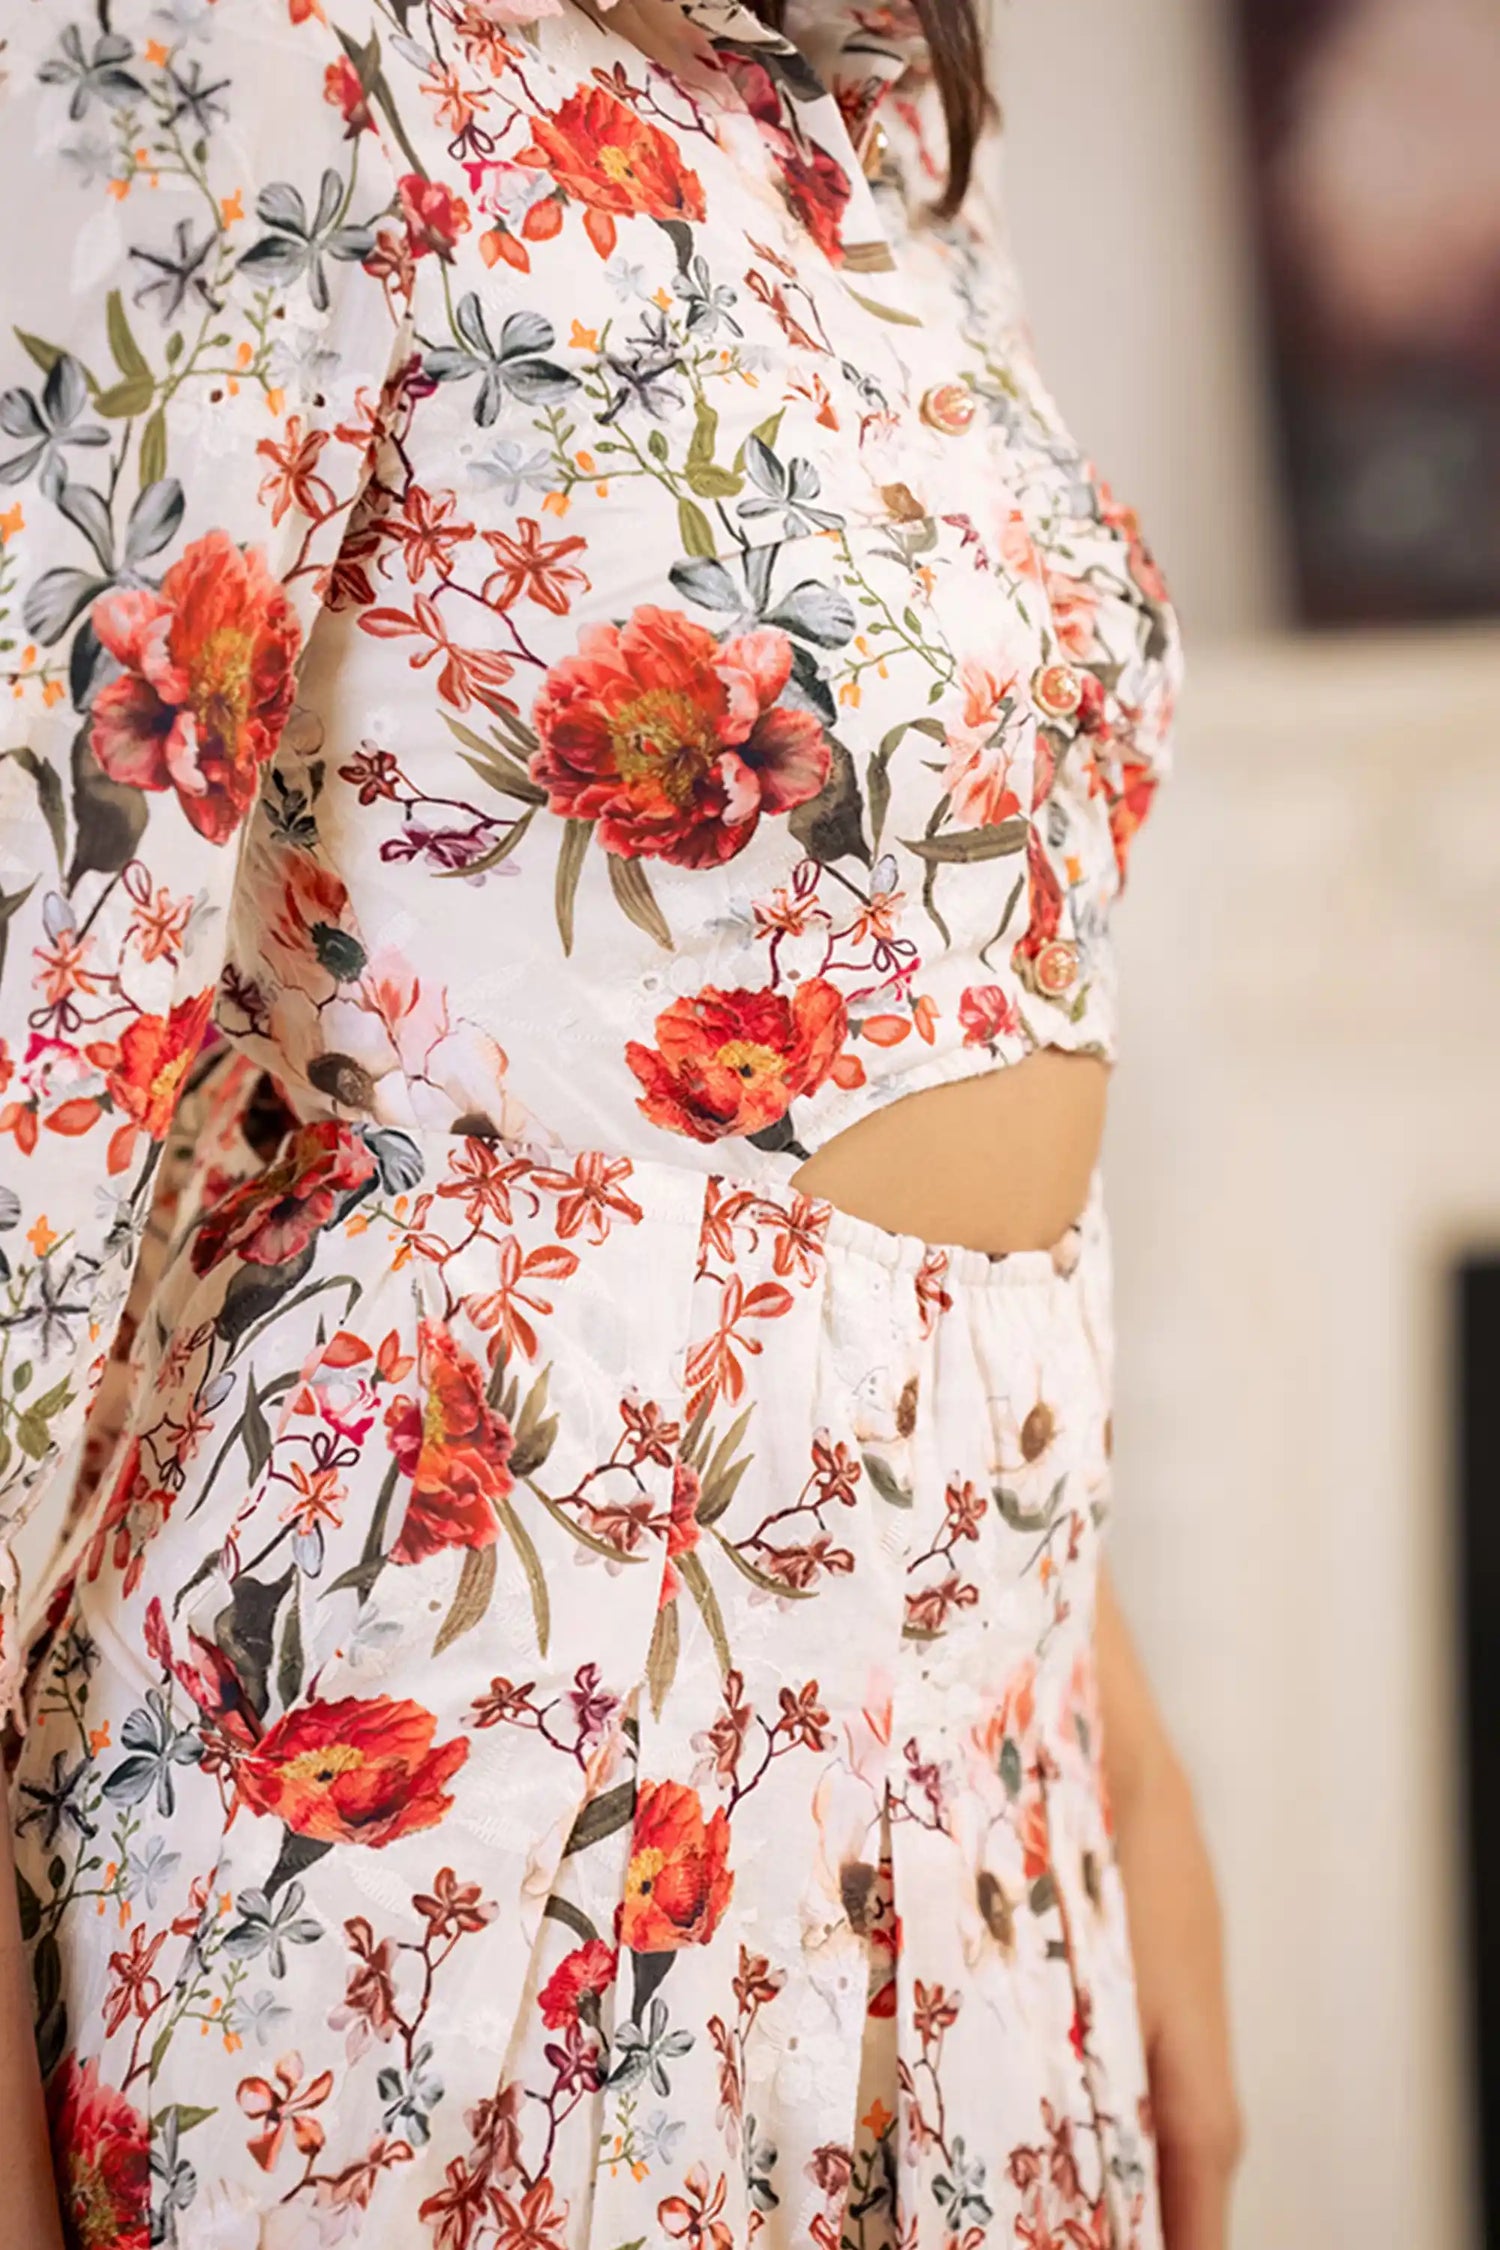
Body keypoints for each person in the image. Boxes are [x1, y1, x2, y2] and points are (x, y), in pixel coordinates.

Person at [0, 0, 1240, 2244]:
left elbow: (944, 996)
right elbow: (34, 1054)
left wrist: (1110, 1729)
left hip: (983, 1773)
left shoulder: (868, 113)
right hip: (452, 1793)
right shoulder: (249, 41)